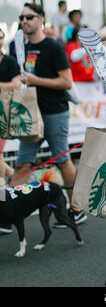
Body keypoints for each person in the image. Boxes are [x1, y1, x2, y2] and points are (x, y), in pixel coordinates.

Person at [11, 3, 87, 226]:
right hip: (32, 115)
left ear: (41, 19)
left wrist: (36, 81)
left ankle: (76, 208)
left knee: (62, 160)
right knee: (21, 164)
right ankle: (12, 212)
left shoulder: (53, 47)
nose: (25, 20)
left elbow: (66, 81)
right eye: (22, 17)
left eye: (30, 17)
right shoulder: (21, 47)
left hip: (55, 112)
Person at [0, 28, 21, 234]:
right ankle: (16, 175)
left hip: (3, 116)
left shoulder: (9, 62)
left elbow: (16, 85)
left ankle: (3, 212)